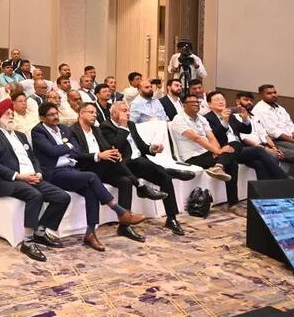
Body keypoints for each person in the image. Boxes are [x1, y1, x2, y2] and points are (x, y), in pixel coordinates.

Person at [32, 102, 148, 251]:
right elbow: (51, 151)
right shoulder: (38, 131)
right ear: (42, 118)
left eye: (56, 114)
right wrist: (68, 146)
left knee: (91, 190)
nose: (55, 117)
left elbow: (77, 151)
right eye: (50, 115)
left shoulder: (63, 129)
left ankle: (90, 233)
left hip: (70, 169)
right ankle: (119, 211)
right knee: (92, 177)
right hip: (54, 172)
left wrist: (65, 148)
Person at [0, 99, 70, 262]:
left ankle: (40, 232)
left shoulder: (21, 135)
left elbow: (33, 158)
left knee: (62, 197)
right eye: (7, 114)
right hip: (7, 180)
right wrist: (19, 176)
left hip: (30, 177)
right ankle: (28, 242)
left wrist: (39, 173)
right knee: (35, 195)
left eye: (12, 113)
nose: (11, 116)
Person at [68, 103, 156, 242]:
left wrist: (114, 152)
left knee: (125, 181)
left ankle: (124, 226)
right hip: (85, 168)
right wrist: (99, 155)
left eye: (95, 112)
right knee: (112, 161)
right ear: (81, 113)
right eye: (91, 112)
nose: (94, 115)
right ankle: (140, 186)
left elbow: (107, 146)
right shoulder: (73, 131)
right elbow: (76, 155)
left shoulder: (96, 130)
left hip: (102, 167)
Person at [101, 101, 188, 236]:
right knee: (144, 163)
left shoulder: (131, 124)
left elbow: (140, 146)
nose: (128, 113)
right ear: (114, 113)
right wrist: (122, 127)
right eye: (124, 110)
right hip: (123, 166)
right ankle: (167, 171)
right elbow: (115, 147)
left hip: (140, 164)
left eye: (128, 110)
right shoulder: (106, 126)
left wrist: (152, 148)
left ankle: (171, 218)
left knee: (165, 178)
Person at [169, 94, 245, 216]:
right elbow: (197, 138)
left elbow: (211, 137)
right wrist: (218, 152)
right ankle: (232, 202)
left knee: (236, 144)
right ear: (184, 105)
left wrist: (216, 150)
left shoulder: (201, 119)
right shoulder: (178, 120)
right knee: (232, 162)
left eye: (197, 102)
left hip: (206, 152)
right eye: (192, 102)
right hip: (192, 157)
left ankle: (219, 166)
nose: (196, 104)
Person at [203, 92, 287, 180]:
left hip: (240, 148)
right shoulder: (207, 118)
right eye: (217, 100)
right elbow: (215, 136)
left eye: (223, 99)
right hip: (226, 151)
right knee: (259, 150)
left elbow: (246, 130)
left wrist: (245, 119)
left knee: (259, 163)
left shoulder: (231, 116)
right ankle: (284, 179)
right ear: (209, 104)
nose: (221, 102)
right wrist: (224, 122)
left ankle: (265, 187)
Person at [233, 91, 294, 178]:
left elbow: (265, 134)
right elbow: (243, 138)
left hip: (266, 145)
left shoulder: (255, 117)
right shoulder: (234, 117)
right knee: (273, 156)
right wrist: (266, 149)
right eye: (246, 100)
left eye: (251, 100)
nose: (249, 102)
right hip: (251, 147)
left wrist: (274, 147)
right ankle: (283, 180)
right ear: (238, 101)